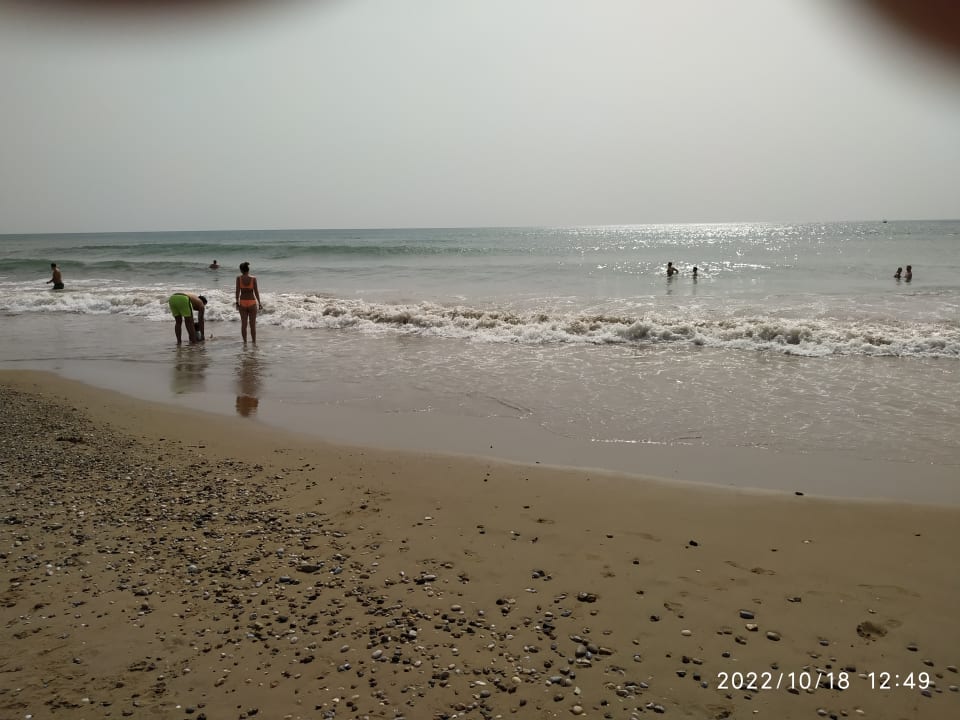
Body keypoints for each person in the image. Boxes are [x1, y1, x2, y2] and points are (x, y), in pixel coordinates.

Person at [235, 261, 262, 343]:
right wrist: (259, 303)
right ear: (248, 269)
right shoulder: (253, 279)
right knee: (252, 325)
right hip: (252, 302)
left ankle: (245, 343)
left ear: (241, 270)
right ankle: (254, 342)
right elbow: (256, 291)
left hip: (242, 302)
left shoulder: (239, 278)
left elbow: (237, 291)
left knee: (244, 325)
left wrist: (237, 302)